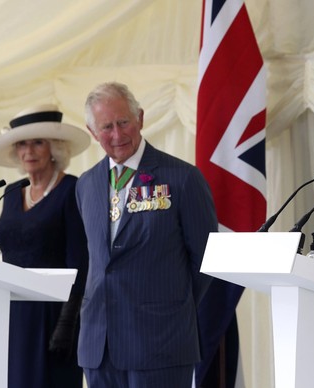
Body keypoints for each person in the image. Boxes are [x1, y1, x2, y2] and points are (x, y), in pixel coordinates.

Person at [76, 82, 217, 388]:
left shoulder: (182, 178)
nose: (117, 135)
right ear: (91, 131)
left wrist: (168, 306)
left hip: (160, 341)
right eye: (106, 127)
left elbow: (205, 261)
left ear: (140, 117)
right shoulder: (85, 184)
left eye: (123, 122)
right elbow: (97, 261)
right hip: (99, 345)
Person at [0, 104, 91, 388]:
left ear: (55, 148)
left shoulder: (72, 189)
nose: (28, 151)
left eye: (37, 143)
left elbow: (80, 262)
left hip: (54, 318)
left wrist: (68, 323)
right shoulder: (10, 193)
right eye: (22, 144)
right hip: (12, 313)